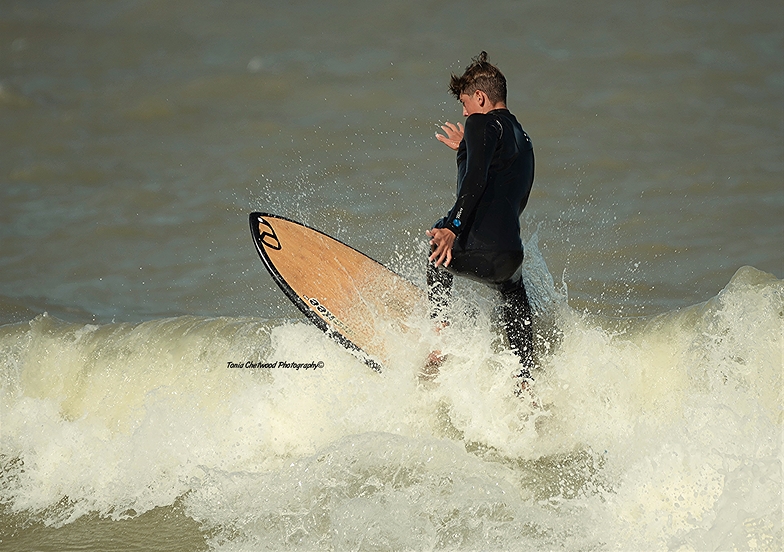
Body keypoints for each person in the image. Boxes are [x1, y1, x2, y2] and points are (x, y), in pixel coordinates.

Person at [426, 51, 536, 382]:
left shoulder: (480, 122)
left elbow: (475, 179)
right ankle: (525, 378)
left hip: (478, 246)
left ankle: (439, 341)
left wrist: (453, 228)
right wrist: (466, 149)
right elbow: (506, 191)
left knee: (436, 247)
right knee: (513, 291)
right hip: (509, 255)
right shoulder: (524, 139)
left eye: (465, 103)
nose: (463, 112)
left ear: (481, 97)